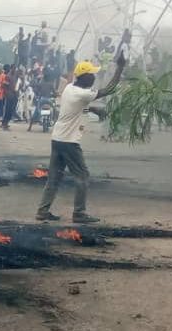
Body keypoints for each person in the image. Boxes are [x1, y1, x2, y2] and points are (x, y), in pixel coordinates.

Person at [35, 58, 126, 225]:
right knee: (82, 176)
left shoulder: (70, 88)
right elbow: (110, 89)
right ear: (85, 77)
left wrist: (92, 109)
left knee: (54, 178)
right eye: (91, 75)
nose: (93, 78)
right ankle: (79, 213)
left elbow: (75, 107)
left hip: (57, 139)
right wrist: (120, 68)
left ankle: (42, 210)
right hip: (69, 142)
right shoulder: (83, 93)